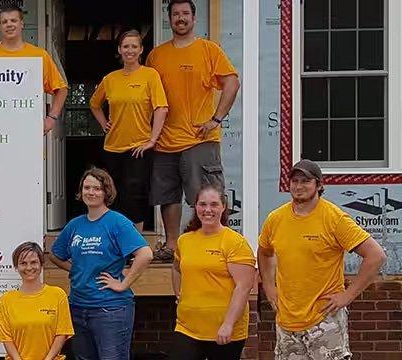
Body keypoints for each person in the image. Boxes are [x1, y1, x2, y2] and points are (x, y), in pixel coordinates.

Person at [258, 160, 387, 360]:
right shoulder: (275, 219)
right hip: (287, 322)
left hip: (325, 321)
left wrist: (348, 295)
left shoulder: (334, 218)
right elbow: (265, 252)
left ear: (318, 185)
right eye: (294, 181)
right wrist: (268, 286)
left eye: (305, 181)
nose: (298, 186)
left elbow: (376, 255)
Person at [145, 0, 241, 260]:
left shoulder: (208, 50)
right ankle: (173, 246)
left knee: (206, 197)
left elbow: (231, 82)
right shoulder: (156, 55)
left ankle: (211, 245)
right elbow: (147, 94)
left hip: (200, 139)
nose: (180, 18)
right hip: (165, 141)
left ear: (194, 19)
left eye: (185, 13)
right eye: (175, 14)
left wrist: (216, 119)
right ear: (169, 19)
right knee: (168, 197)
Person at [49, 167, 153, 360]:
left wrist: (123, 283)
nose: (91, 192)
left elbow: (145, 254)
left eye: (96, 188)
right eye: (86, 187)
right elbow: (55, 255)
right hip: (78, 307)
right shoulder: (75, 225)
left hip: (110, 309)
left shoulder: (117, 222)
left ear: (106, 192)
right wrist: (76, 269)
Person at [91, 29, 169, 231]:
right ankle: (114, 240)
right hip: (113, 147)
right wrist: (103, 123)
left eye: (134, 46)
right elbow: (94, 104)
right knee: (112, 195)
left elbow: (161, 107)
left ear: (141, 50)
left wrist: (152, 140)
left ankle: (135, 243)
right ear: (119, 49)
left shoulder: (150, 75)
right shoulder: (110, 79)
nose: (130, 50)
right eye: (126, 46)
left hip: (138, 147)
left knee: (135, 195)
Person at [171, 185, 255, 360]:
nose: (207, 210)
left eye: (214, 204)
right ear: (196, 207)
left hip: (224, 330)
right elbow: (176, 268)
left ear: (223, 207)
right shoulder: (185, 240)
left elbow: (244, 287)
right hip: (187, 327)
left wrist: (229, 324)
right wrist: (179, 295)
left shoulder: (235, 242)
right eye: (202, 204)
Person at [0, 4, 67, 135]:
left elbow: (62, 89)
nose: (9, 24)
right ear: (0, 26)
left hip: (28, 128)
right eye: (4, 22)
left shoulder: (39, 55)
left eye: (13, 20)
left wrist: (51, 118)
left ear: (22, 24)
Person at [0, 242, 73, 360]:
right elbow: (6, 338)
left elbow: (62, 334)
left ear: (41, 264)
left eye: (33, 262)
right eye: (23, 263)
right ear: (16, 267)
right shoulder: (6, 300)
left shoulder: (58, 295)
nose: (29, 268)